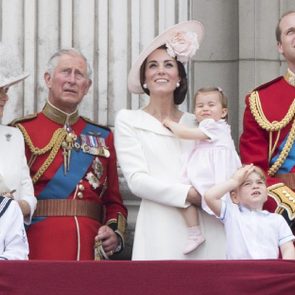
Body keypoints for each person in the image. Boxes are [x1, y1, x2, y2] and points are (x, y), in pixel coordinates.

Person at [115, 20, 226, 260]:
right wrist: (190, 194)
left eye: (168, 64)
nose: (160, 71)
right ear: (145, 78)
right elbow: (137, 181)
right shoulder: (128, 120)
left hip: (208, 225)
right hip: (159, 225)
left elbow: (222, 160)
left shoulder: (197, 122)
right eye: (153, 66)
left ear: (179, 78)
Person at [11, 48, 127, 260]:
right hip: (37, 244)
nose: (72, 80)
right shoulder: (21, 131)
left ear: (87, 86)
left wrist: (114, 232)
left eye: (79, 74)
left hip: (90, 247)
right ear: (48, 79)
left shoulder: (102, 136)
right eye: (65, 71)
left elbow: (114, 201)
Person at [163, 87, 241, 254]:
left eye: (211, 105)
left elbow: (184, 133)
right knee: (182, 195)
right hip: (203, 170)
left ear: (223, 112)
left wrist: (169, 123)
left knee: (218, 204)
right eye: (200, 106)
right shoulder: (210, 126)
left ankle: (197, 232)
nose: (205, 108)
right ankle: (194, 232)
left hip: (214, 175)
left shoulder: (214, 126)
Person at [239, 11, 295, 232]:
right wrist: (289, 203)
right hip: (284, 215)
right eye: (291, 31)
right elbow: (254, 171)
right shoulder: (260, 100)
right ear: (280, 46)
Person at [205, 164, 295, 259]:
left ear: (266, 194)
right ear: (235, 197)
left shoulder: (277, 219)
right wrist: (234, 181)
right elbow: (210, 196)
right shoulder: (232, 214)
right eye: (247, 183)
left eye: (259, 182)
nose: (255, 186)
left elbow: (288, 249)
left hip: (267, 271)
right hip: (239, 271)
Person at [0, 42, 36, 259]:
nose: (5, 98)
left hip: (10, 245)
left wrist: (11, 208)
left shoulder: (13, 137)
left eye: (5, 90)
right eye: (0, 91)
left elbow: (29, 197)